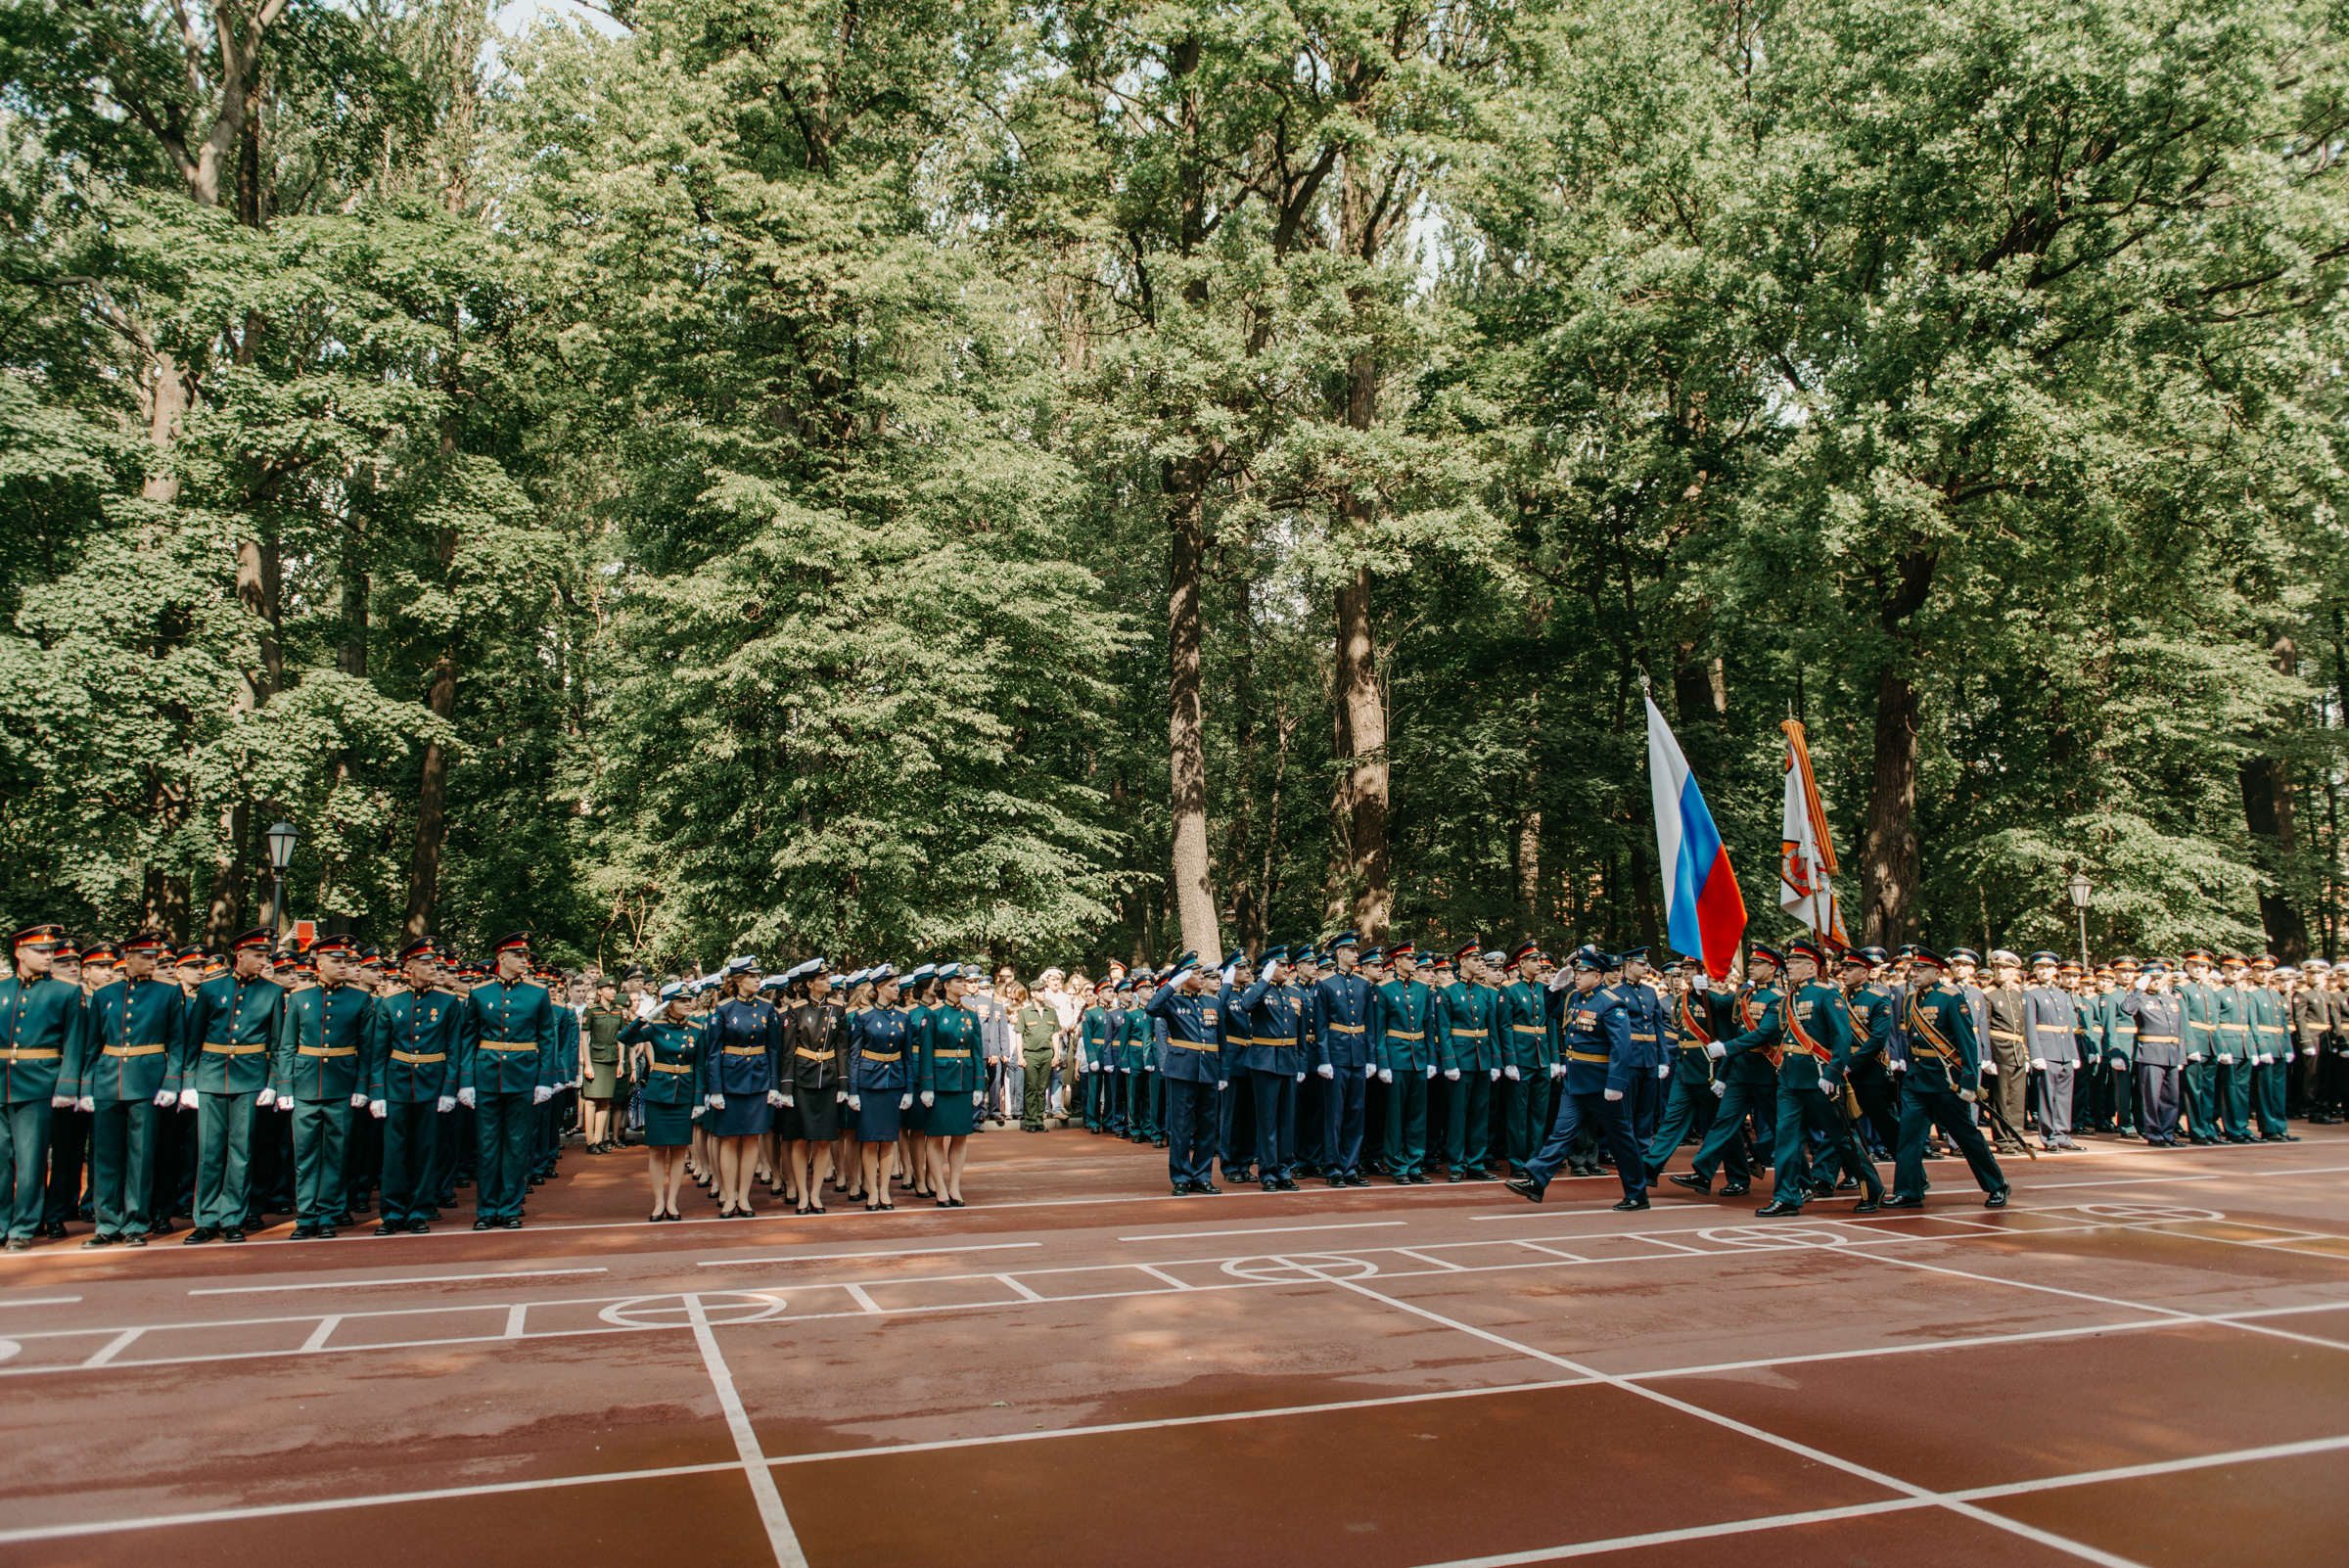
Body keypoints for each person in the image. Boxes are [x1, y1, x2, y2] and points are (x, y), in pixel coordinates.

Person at [1703, 936, 1881, 1217]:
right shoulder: (1788, 998)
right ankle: (1786, 1197)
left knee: (1840, 1138)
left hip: (1819, 1078)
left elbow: (1842, 1037)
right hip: (1789, 1079)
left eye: (1796, 962)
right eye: (1790, 961)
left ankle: (1872, 1186)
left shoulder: (1826, 993)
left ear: (1812, 967)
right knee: (1786, 1138)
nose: (1790, 965)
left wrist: (1834, 1072)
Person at [1506, 945, 1647, 1210]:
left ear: (1597, 976)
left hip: (1601, 1085)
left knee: (1622, 1141)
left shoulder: (1611, 1003)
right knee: (1561, 1135)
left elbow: (1621, 1048)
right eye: (1576, 972)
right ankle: (1537, 1180)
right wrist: (1554, 990)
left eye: (1583, 972)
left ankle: (1637, 1194)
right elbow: (1553, 1012)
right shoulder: (1575, 999)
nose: (1577, 976)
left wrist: (1615, 1084)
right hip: (1576, 1084)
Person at [69, 929, 182, 1248]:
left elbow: (177, 1042)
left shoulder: (169, 992)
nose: (152, 962)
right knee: (104, 1157)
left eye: (154, 957)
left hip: (147, 1082)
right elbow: (92, 1045)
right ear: (128, 958)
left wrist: (172, 1082)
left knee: (140, 1156)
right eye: (145, 957)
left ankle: (135, 1222)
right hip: (107, 1081)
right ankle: (106, 1224)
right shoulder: (105, 994)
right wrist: (86, 1087)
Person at [176, 929, 287, 1245]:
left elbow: (277, 1044)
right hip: (210, 1076)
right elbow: (194, 1039)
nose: (264, 961)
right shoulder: (211, 989)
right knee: (209, 1151)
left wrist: (272, 1081)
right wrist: (188, 1082)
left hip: (251, 1078)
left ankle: (232, 1218)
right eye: (258, 955)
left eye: (266, 955)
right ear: (240, 955)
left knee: (241, 1153)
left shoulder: (273, 992)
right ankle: (206, 1218)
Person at [1881, 947, 2008, 1208]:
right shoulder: (1911, 999)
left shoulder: (1952, 998)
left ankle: (1997, 1185)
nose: (1913, 974)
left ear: (1937, 972)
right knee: (1909, 1136)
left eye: (1920, 970)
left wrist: (1969, 1082)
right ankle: (1909, 1191)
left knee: (1966, 1135)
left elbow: (1967, 1042)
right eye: (1912, 969)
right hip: (1916, 1080)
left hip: (1945, 1081)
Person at [269, 934, 375, 1239]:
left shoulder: (359, 998)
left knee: (335, 1155)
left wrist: (361, 1086)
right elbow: (286, 1046)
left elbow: (367, 1048)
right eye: (336, 961)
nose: (343, 965)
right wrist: (284, 1087)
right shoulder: (301, 998)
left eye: (346, 961)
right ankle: (307, 1216)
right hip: (304, 1086)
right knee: (304, 1156)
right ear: (319, 963)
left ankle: (329, 1214)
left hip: (342, 1085)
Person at [364, 936, 466, 1235]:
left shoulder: (448, 1002)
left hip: (432, 1085)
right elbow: (377, 1051)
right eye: (426, 963)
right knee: (394, 1152)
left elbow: (454, 1049)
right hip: (396, 1084)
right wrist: (377, 1092)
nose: (433, 967)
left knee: (426, 1150)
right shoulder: (390, 1003)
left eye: (434, 963)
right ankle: (392, 1212)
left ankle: (419, 1210)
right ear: (409, 967)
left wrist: (449, 1089)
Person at [462, 933, 561, 1231]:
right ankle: (486, 1209)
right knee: (488, 1145)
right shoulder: (479, 993)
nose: (524, 961)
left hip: (523, 1077)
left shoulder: (537, 993)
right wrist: (466, 1081)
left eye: (526, 956)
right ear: (502, 958)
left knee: (517, 1146)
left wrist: (545, 1080)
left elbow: (547, 1037)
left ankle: (509, 1207)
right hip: (487, 1076)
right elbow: (468, 1038)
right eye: (518, 956)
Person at [1669, 945, 1781, 1198]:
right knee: (1723, 1123)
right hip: (1740, 1075)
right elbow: (1720, 1005)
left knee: (1782, 1130)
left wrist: (1726, 1048)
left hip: (1765, 1074)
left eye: (1758, 964)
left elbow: (1764, 1034)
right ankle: (1704, 1172)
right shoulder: (1745, 994)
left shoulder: (1777, 997)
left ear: (1772, 969)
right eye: (1750, 963)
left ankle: (1802, 1182)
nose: (1751, 967)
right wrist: (1700, 992)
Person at [3, 924, 82, 1250]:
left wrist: (66, 1084)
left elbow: (75, 1042)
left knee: (31, 1160)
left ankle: (23, 1228)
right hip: (2, 1081)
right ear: (19, 952)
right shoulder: (2, 988)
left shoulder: (65, 992)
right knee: (0, 1160)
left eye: (50, 951)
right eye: (40, 950)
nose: (48, 956)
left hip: (39, 1083)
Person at [700, 957, 781, 1218]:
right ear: (737, 981)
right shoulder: (723, 1009)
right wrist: (714, 1089)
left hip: (758, 1079)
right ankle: (729, 1196)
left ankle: (744, 1197)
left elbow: (774, 1050)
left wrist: (774, 1086)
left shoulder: (767, 1008)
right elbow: (713, 1052)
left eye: (759, 976)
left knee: (751, 1140)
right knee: (729, 1139)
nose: (758, 980)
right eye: (752, 976)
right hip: (730, 1079)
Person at [619, 981, 705, 1221]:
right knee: (657, 1150)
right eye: (682, 1000)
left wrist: (699, 1100)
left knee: (679, 1150)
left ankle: (672, 1202)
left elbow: (700, 1067)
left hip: (685, 1094)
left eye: (690, 1000)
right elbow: (625, 1037)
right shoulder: (654, 1026)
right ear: (668, 1005)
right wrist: (645, 1017)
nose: (688, 1004)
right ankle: (658, 1202)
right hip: (659, 1093)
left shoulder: (697, 1030)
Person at [1148, 952, 1224, 1195]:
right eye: (1196, 973)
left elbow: (1220, 1041)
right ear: (1183, 977)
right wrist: (1171, 983)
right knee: (1180, 1127)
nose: (1202, 977)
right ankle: (1181, 1176)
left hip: (1209, 1070)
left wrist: (1224, 1073)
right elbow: (1152, 1008)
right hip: (1182, 1070)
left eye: (1202, 973)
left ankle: (1202, 1176)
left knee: (1207, 1126)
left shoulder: (1213, 1002)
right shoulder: (1172, 1002)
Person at [778, 959, 849, 1214]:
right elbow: (786, 1052)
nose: (828, 981)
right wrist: (785, 1088)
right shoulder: (795, 1011)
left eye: (828, 977)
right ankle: (801, 1193)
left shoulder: (839, 1010)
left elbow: (842, 1048)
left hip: (828, 1080)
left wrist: (843, 1084)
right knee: (799, 1140)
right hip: (801, 1081)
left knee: (823, 1139)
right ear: (809, 984)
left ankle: (816, 1194)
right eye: (822, 978)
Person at [1234, 945, 1306, 1191]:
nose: (1287, 968)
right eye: (1281, 965)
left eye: (1287, 965)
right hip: (1264, 1061)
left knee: (1287, 1119)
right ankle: (1268, 1173)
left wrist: (1302, 1063)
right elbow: (1246, 1005)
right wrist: (1263, 979)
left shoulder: (1295, 991)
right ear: (1269, 967)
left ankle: (1285, 1170)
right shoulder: (1257, 989)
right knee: (1267, 1121)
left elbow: (1302, 1032)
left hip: (1289, 1059)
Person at [917, 963, 985, 1205]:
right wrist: (926, 1085)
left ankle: (955, 1185)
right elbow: (925, 1052)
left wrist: (979, 1085)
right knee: (936, 1136)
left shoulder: (971, 1014)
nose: (964, 984)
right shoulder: (933, 1013)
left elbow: (977, 1052)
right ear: (946, 985)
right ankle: (939, 1187)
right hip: (940, 1082)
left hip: (963, 1081)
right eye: (959, 981)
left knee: (960, 1136)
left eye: (965, 981)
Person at [1371, 944, 1439, 1184]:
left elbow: (1429, 1027)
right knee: (1396, 1116)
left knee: (1417, 1115)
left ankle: (1415, 1163)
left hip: (1418, 1057)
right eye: (1410, 958)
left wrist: (1431, 1060)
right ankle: (1397, 1165)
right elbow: (1378, 1029)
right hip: (1396, 1056)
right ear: (1397, 961)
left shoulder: (1422, 989)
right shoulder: (1384, 989)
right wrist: (1382, 1063)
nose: (1414, 962)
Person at [1436, 943, 1502, 1181]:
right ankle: (1456, 1163)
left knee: (1479, 1114)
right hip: (1461, 1059)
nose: (1481, 963)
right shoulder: (1447, 991)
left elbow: (1491, 1028)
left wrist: (1495, 1061)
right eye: (1475, 959)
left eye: (1481, 959)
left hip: (1482, 1058)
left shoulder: (1485, 992)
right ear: (1462, 962)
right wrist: (1450, 1062)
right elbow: (1443, 1030)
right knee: (1458, 1115)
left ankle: (1476, 1162)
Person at [848, 967, 910, 1210]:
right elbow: (854, 1056)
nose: (897, 989)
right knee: (869, 1140)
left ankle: (884, 1190)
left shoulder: (903, 1017)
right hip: (868, 1083)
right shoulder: (863, 1017)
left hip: (894, 1082)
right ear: (879, 988)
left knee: (888, 1139)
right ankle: (871, 1189)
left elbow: (906, 1058)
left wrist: (909, 1091)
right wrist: (853, 1091)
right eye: (892, 985)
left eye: (897, 985)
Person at [2021, 951, 2084, 1152]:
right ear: (2035, 971)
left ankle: (2063, 1134)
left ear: (2055, 970)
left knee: (2064, 1097)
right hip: (2047, 1051)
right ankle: (2049, 1138)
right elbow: (2030, 1026)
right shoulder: (2031, 993)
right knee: (2047, 1096)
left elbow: (2067, 1025)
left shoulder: (2062, 994)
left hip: (2064, 1050)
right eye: (2039, 967)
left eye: (2048, 967)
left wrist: (2073, 1054)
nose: (2044, 970)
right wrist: (2035, 1054)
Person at [581, 978, 630, 1152]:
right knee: (591, 1100)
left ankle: (599, 1139)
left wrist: (621, 1062)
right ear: (599, 991)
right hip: (595, 1058)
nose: (613, 991)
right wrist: (587, 1064)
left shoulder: (618, 1012)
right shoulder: (591, 1011)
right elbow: (584, 1038)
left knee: (605, 1101)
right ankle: (589, 1142)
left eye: (613, 988)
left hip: (612, 1059)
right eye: (608, 988)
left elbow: (621, 1038)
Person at [1012, 979, 1059, 1132]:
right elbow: (1019, 1035)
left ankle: (1040, 1119)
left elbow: (1055, 1034)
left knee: (1042, 1087)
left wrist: (1056, 1054)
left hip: (1046, 1053)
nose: (1043, 993)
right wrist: (1020, 1056)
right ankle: (1030, 1121)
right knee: (1031, 1087)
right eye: (1039, 991)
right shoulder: (1024, 1012)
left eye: (1044, 990)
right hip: (1031, 1054)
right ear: (1032, 993)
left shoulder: (1051, 1012)